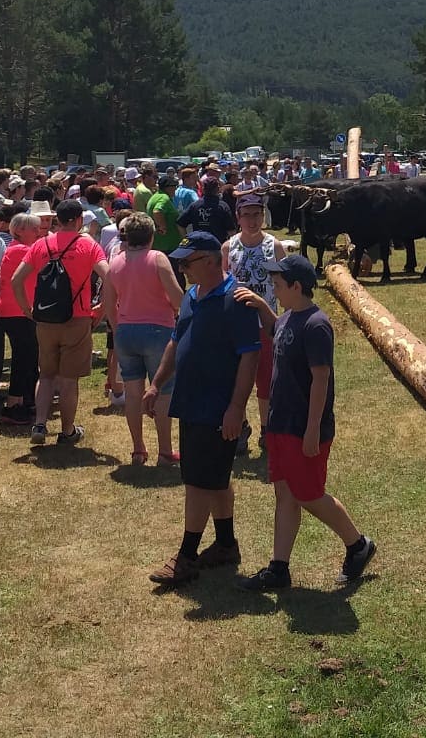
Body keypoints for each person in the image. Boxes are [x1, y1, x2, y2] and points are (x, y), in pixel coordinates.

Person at [234, 254, 375, 591]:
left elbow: (321, 379)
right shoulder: (287, 318)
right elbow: (275, 328)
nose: (274, 289)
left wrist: (313, 429)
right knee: (285, 493)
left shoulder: (316, 325)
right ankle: (279, 568)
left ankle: (358, 545)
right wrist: (258, 305)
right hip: (281, 424)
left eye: (278, 285)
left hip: (303, 427)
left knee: (308, 494)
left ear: (296, 286)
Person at [143, 232, 261, 587]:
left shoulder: (236, 300)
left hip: (217, 406)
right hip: (192, 402)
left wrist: (236, 408)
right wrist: (156, 383)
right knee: (215, 479)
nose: (182, 269)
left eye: (188, 262)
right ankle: (226, 545)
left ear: (211, 260)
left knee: (197, 484)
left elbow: (250, 355)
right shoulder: (193, 296)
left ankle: (186, 557)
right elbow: (176, 342)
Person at [11, 198, 109, 447]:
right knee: (68, 379)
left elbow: (15, 280)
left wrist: (27, 308)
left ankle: (40, 423)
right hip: (76, 317)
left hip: (44, 318)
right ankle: (67, 431)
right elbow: (109, 276)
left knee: (46, 376)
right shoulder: (88, 245)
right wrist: (103, 306)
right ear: (78, 220)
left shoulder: (41, 244)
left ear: (57, 220)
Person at [102, 211, 184, 466]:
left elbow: (107, 303)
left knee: (133, 393)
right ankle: (165, 451)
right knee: (162, 392)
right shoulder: (157, 259)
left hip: (126, 330)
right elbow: (177, 296)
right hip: (158, 330)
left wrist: (118, 328)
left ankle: (138, 449)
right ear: (150, 237)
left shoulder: (115, 262)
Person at [224, 195, 280, 456]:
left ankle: (268, 429)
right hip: (237, 325)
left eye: (257, 215)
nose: (252, 220)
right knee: (237, 379)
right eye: (247, 215)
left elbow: (284, 286)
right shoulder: (228, 248)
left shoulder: (274, 246)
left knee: (266, 380)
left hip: (266, 324)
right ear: (238, 217)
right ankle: (241, 426)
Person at [0, 213, 42, 425]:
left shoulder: (15, 248)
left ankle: (28, 399)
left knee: (29, 357)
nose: (37, 232)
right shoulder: (21, 250)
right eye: (34, 229)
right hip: (17, 312)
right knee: (23, 359)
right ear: (19, 230)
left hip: (20, 311)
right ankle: (13, 405)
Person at [178, 174, 236, 243]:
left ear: (203, 189)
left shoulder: (195, 205)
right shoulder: (222, 206)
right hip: (217, 246)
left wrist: (187, 241)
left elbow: (180, 224)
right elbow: (231, 231)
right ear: (218, 189)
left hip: (198, 246)